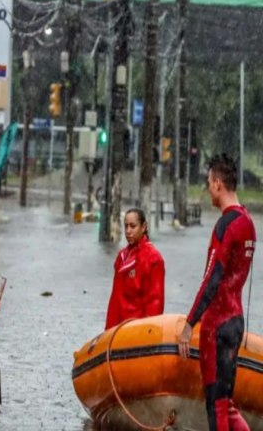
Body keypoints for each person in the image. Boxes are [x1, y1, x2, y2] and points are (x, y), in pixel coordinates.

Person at [178, 154, 255, 431]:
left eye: (210, 183)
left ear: (219, 184)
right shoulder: (248, 223)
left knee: (216, 405)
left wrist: (189, 324)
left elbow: (211, 280)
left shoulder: (225, 226)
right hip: (236, 322)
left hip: (217, 325)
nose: (208, 188)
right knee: (227, 402)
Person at [105, 208, 165, 330]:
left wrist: (147, 334)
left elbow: (155, 303)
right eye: (126, 226)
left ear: (143, 227)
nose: (128, 231)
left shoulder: (153, 259)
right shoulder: (121, 257)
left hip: (136, 332)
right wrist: (108, 330)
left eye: (133, 226)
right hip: (117, 330)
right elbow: (115, 300)